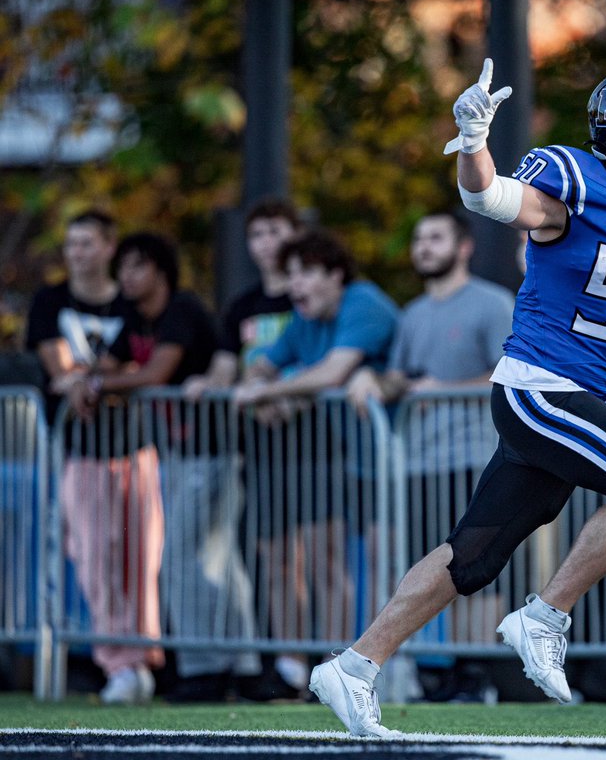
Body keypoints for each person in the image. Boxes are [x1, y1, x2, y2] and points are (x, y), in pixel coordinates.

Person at [308, 60, 606, 737]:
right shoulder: (572, 183)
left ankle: (354, 665)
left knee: (473, 554)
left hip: (570, 395)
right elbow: (490, 198)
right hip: (541, 390)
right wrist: (472, 144)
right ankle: (545, 617)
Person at [346, 211, 515, 703]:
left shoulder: (491, 302)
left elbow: (510, 372)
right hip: (421, 463)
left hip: (475, 458)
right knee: (434, 573)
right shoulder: (413, 313)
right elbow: (402, 377)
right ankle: (440, 675)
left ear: (464, 247)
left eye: (435, 237)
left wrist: (444, 388)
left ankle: (477, 675)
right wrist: (369, 378)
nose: (423, 247)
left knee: (477, 571)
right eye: (418, 238)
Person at [66, 232, 236, 701]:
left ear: (160, 271)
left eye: (137, 267)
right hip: (176, 453)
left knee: (186, 557)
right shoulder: (130, 313)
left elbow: (155, 373)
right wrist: (92, 379)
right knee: (205, 560)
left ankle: (207, 670)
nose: (126, 277)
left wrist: (100, 385)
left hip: (213, 449)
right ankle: (233, 665)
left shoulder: (180, 308)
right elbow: (108, 363)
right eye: (122, 268)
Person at [232, 230, 400, 685]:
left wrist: (265, 391)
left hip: (398, 461)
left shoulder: (362, 300)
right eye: (289, 275)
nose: (294, 285)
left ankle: (357, 666)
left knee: (375, 566)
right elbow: (262, 362)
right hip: (348, 459)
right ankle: (312, 669)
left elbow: (333, 372)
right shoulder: (306, 319)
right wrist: (261, 388)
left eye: (305, 273)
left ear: (336, 274)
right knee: (320, 562)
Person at [24, 211, 163, 704]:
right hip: (81, 451)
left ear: (109, 247)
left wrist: (101, 379)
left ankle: (145, 658)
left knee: (141, 560)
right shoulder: (51, 301)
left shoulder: (133, 302)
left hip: (136, 445)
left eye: (87, 243)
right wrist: (92, 377)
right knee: (94, 557)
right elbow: (59, 367)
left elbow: (144, 363)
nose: (77, 252)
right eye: (71, 243)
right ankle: (118, 661)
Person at [181, 198, 305, 700]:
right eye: (257, 235)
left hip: (320, 447)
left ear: (295, 234)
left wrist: (285, 395)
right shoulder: (241, 305)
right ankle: (290, 663)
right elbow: (225, 366)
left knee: (318, 560)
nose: (266, 243)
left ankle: (339, 657)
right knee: (272, 558)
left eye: (276, 231)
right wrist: (204, 384)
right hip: (260, 450)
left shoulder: (309, 296)